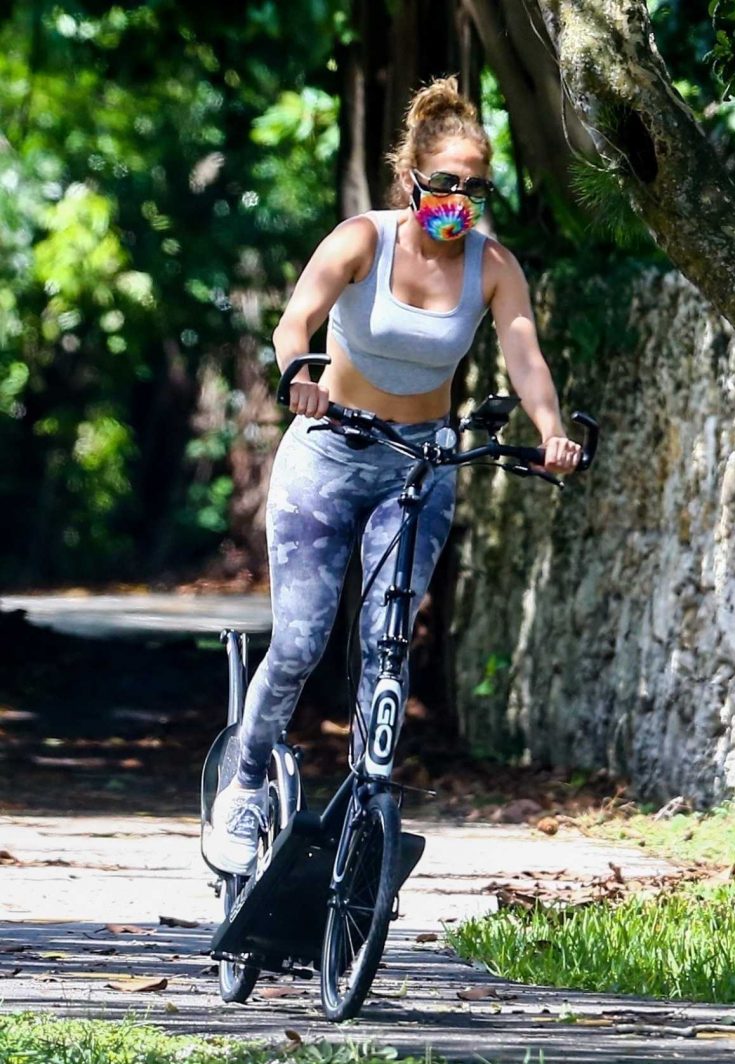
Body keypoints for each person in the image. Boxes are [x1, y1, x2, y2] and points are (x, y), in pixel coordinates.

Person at [205, 76, 582, 873]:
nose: (460, 200)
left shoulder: (492, 267)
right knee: (304, 639)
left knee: (389, 644)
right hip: (328, 452)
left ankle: (368, 789)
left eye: (476, 188)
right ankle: (242, 784)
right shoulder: (363, 241)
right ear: (411, 178)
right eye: (446, 183)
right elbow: (294, 319)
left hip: (420, 464)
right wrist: (300, 373)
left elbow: (526, 360)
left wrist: (551, 431)